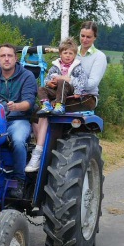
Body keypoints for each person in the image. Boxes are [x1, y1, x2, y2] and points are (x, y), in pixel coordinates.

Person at [0, 44, 37, 198]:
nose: (6, 59)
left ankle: (19, 181)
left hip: (18, 120)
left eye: (10, 56)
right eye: (3, 56)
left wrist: (16, 106)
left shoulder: (27, 76)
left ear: (15, 58)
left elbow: (29, 102)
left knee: (19, 140)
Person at [26, 38, 87, 172]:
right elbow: (48, 79)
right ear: (60, 53)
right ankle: (46, 104)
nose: (67, 56)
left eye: (70, 53)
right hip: (54, 91)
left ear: (75, 55)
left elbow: (82, 82)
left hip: (68, 91)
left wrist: (76, 90)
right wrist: (49, 84)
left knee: (62, 82)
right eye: (65, 53)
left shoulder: (77, 67)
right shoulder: (55, 66)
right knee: (40, 89)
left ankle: (60, 105)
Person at [74, 20, 107, 110]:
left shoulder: (99, 57)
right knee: (43, 109)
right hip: (67, 93)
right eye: (82, 36)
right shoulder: (72, 52)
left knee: (57, 109)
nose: (84, 40)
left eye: (88, 37)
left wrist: (69, 80)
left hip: (87, 97)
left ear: (95, 37)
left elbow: (91, 84)